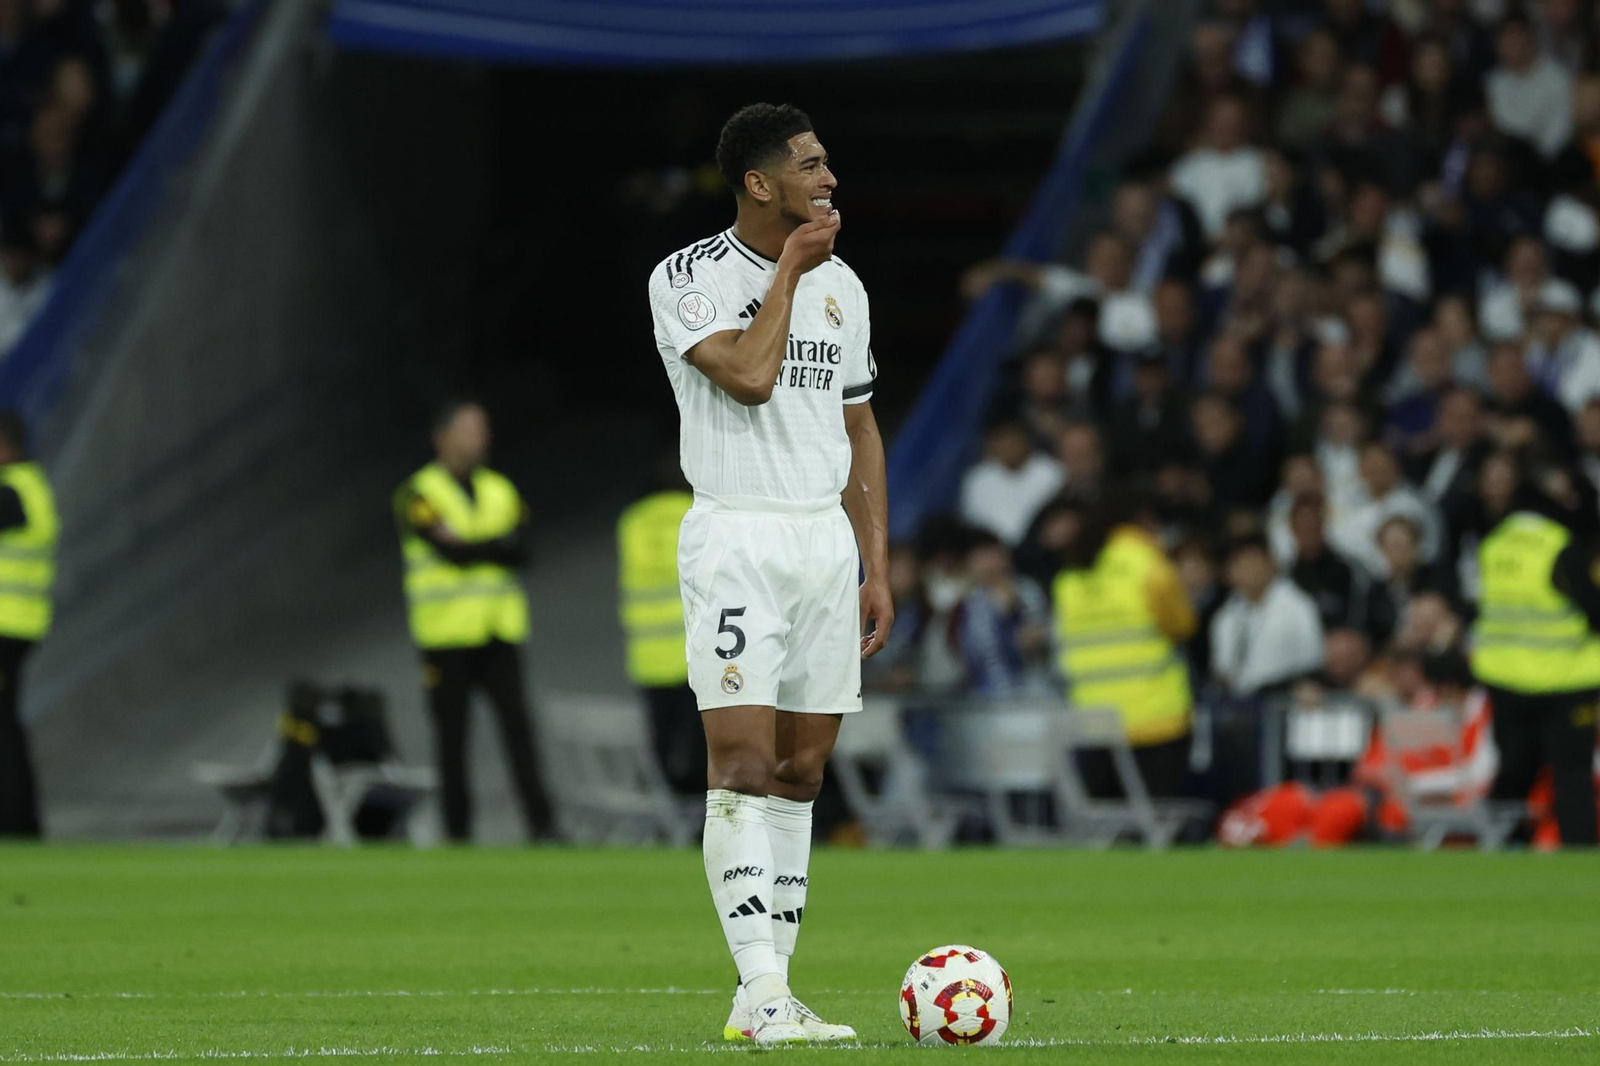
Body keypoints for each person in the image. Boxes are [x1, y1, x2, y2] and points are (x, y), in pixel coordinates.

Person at [646, 103, 892, 1045]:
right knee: (741, 765)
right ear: (759, 184)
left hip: (822, 547)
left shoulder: (850, 289)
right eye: (811, 165)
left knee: (799, 773)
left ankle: (775, 992)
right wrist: (792, 268)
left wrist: (876, 563)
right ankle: (755, 990)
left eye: (828, 163)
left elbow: (859, 426)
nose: (830, 179)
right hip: (738, 534)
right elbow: (748, 377)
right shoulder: (689, 279)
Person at [393, 401, 555, 844]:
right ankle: (458, 833)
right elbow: (452, 552)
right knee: (452, 739)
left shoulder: (500, 488)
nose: (479, 439)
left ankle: (543, 826)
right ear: (440, 437)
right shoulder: (419, 493)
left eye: (482, 430)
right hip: (446, 637)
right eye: (467, 431)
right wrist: (494, 546)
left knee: (519, 732)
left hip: (498, 631)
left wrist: (477, 547)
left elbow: (522, 548)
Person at [1470, 501, 1600, 846]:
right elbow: (1593, 610)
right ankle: (1580, 858)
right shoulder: (1559, 544)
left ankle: (1493, 849)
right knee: (1571, 776)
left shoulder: (1494, 544)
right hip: (1565, 678)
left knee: (1514, 772)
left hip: (1505, 677)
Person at [1054, 492, 1198, 799]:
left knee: (1110, 828)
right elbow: (1182, 625)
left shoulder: (1071, 571)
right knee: (1158, 824)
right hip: (1155, 717)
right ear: (1142, 519)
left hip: (1094, 720)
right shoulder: (1146, 562)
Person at [617, 456, 700, 795]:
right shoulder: (695, 514)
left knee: (661, 746)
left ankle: (666, 818)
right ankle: (694, 824)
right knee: (698, 749)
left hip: (647, 656)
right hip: (692, 656)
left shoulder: (632, 521)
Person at [0, 411, 55, 838]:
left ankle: (17, 824)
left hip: (6, 625)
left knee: (4, 730)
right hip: (18, 625)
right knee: (8, 726)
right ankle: (20, 822)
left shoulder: (12, 492)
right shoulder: (30, 487)